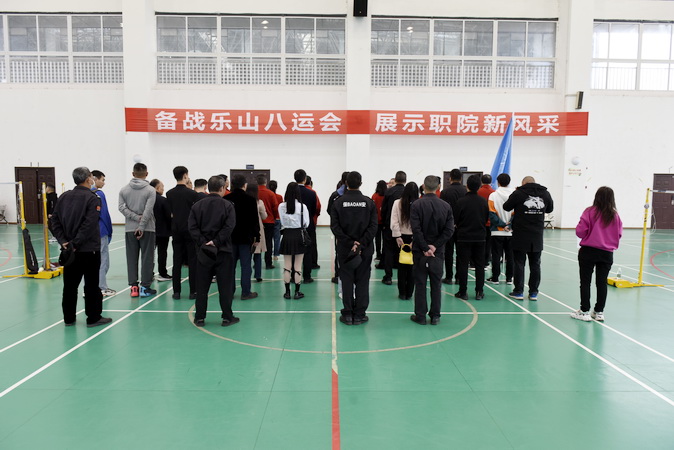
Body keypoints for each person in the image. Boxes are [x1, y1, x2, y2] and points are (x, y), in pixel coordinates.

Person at [50, 167, 112, 328]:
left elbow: (54, 221)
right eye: (91, 177)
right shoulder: (93, 198)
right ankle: (93, 317)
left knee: (69, 286)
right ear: (88, 179)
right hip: (88, 250)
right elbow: (89, 224)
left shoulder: (64, 197)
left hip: (69, 250)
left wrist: (64, 241)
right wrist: (75, 243)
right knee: (91, 285)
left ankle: (69, 318)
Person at [188, 175, 238, 327]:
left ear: (208, 188)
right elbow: (229, 227)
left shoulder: (197, 206)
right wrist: (216, 241)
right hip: (223, 251)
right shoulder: (228, 205)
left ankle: (200, 317)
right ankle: (227, 317)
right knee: (225, 286)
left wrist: (203, 242)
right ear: (222, 188)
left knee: (202, 287)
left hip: (204, 252)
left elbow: (192, 227)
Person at [330, 171, 378, 325]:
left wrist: (351, 243)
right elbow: (373, 227)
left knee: (347, 280)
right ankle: (359, 314)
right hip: (365, 249)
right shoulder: (369, 203)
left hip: (345, 250)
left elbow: (335, 227)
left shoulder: (338, 203)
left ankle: (348, 314)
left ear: (346, 183)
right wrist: (361, 243)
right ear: (361, 183)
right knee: (363, 280)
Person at [571, 187, 623, 322]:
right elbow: (619, 234)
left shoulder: (589, 212)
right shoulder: (615, 215)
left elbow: (580, 232)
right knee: (602, 282)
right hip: (607, 253)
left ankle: (584, 311)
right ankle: (599, 312)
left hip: (589, 251)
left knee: (585, 282)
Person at [410, 175, 454, 325]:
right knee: (436, 284)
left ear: (423, 186)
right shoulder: (446, 206)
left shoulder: (416, 205)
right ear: (438, 187)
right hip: (437, 252)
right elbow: (449, 230)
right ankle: (435, 316)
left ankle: (420, 316)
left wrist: (424, 247)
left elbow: (416, 229)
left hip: (420, 252)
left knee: (420, 283)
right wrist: (435, 246)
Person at [503, 176, 554, 301]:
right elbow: (550, 209)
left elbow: (506, 207)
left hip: (520, 234)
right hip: (537, 235)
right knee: (535, 264)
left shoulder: (518, 193)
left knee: (519, 263)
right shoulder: (545, 193)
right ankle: (533, 292)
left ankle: (518, 291)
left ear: (523, 183)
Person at [118, 163, 157, 298]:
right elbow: (148, 210)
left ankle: (134, 287)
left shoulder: (124, 190)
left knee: (131, 258)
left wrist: (134, 218)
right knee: (147, 258)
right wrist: (141, 226)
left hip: (130, 229)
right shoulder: (151, 190)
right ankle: (145, 287)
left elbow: (121, 207)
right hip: (148, 228)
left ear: (133, 174)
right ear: (146, 174)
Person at [166, 166, 201, 300]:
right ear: (185, 175)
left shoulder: (169, 194)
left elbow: (170, 212)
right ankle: (193, 291)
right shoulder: (192, 194)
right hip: (189, 230)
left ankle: (176, 292)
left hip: (176, 230)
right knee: (192, 261)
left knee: (177, 261)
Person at [453, 174, 489, 301]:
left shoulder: (461, 202)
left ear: (467, 186)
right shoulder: (483, 201)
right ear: (479, 186)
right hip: (480, 237)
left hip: (464, 237)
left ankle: (463, 292)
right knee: (480, 265)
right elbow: (485, 218)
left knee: (463, 264)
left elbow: (455, 219)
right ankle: (479, 291)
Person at [225, 174, 261, 300]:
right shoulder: (250, 200)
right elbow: (254, 221)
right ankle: (246, 292)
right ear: (244, 185)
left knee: (231, 266)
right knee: (246, 266)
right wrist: (257, 237)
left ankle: (230, 292)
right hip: (246, 238)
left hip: (230, 238)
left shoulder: (226, 199)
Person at [278, 182, 311, 299]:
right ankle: (297, 292)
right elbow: (306, 223)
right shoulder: (302, 207)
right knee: (297, 266)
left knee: (287, 265)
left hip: (286, 235)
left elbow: (282, 222)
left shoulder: (281, 206)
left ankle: (287, 292)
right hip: (299, 235)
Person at [390, 182, 419, 301]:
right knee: (412, 266)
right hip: (414, 238)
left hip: (401, 237)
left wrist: (397, 236)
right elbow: (420, 224)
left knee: (401, 266)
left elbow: (394, 221)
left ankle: (402, 292)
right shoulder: (419, 203)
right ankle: (409, 292)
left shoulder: (397, 203)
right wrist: (416, 239)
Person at [440, 169, 467, 285]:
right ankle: (459, 277)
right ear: (461, 178)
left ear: (450, 178)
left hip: (448, 225)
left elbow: (442, 210)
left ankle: (449, 276)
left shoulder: (445, 192)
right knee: (461, 253)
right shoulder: (465, 191)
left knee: (448, 252)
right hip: (462, 226)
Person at [487, 173, 514, 285]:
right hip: (511, 232)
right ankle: (509, 278)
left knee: (496, 256)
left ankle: (495, 278)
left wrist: (502, 225)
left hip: (496, 232)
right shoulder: (514, 195)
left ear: (498, 182)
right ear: (509, 182)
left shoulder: (493, 196)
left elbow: (492, 214)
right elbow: (516, 214)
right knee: (510, 256)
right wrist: (509, 225)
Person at [91, 170, 115, 296]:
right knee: (102, 261)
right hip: (100, 232)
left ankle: (89, 288)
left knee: (90, 262)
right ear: (95, 179)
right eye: (102, 180)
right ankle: (101, 287)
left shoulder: (83, 194)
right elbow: (104, 214)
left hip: (87, 233)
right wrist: (110, 231)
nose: (104, 183)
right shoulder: (99, 194)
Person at [380, 171, 406, 285]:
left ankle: (388, 276)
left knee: (389, 251)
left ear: (395, 179)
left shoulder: (389, 192)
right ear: (405, 180)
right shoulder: (407, 192)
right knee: (403, 251)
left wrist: (384, 223)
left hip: (390, 226)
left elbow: (384, 209)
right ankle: (403, 277)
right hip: (404, 227)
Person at [294, 169, 318, 283]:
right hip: (308, 224)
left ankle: (294, 275)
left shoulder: (291, 192)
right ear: (305, 179)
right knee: (307, 250)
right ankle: (307, 276)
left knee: (294, 251)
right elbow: (313, 209)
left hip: (294, 225)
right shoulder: (311, 193)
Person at [327, 171, 349, 283]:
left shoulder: (335, 195)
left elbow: (329, 210)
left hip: (339, 229)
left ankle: (338, 275)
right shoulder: (357, 197)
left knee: (339, 251)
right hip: (352, 229)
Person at [150, 179, 172, 282]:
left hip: (150, 231)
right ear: (157, 188)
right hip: (163, 231)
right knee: (162, 253)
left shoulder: (147, 199)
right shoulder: (163, 200)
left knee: (149, 254)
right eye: (162, 187)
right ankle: (162, 273)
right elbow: (168, 216)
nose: (163, 189)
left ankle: (149, 273)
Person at [246, 183, 268, 283]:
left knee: (246, 255)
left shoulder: (244, 201)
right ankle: (258, 275)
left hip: (246, 229)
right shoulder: (259, 202)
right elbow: (264, 216)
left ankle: (247, 274)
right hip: (257, 229)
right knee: (258, 253)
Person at [257, 174, 279, 270]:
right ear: (265, 183)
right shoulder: (270, 194)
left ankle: (256, 263)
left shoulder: (254, 193)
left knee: (256, 242)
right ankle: (268, 263)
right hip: (269, 221)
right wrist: (274, 217)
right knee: (268, 242)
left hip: (256, 221)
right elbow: (275, 208)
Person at [477, 174, 495, 267]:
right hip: (490, 222)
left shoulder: (478, 192)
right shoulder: (494, 193)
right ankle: (486, 262)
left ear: (481, 181)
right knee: (488, 243)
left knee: (478, 243)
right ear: (491, 182)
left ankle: (475, 262)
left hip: (479, 222)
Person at [306, 175, 322, 270]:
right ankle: (313, 263)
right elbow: (317, 207)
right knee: (312, 243)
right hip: (311, 221)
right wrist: (315, 216)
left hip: (298, 223)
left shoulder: (295, 192)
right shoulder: (312, 192)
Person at [372, 180, 387, 261]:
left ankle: (378, 254)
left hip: (376, 221)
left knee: (377, 239)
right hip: (385, 221)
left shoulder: (374, 196)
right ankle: (384, 255)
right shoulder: (387, 196)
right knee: (385, 239)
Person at [269, 180, 283, 261]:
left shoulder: (267, 195)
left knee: (268, 238)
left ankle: (268, 253)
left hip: (268, 219)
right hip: (277, 219)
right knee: (277, 238)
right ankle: (276, 255)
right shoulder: (279, 197)